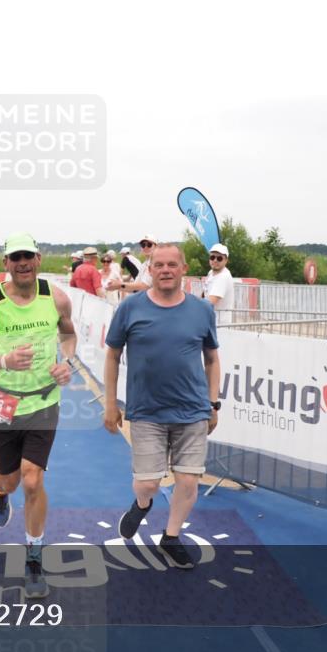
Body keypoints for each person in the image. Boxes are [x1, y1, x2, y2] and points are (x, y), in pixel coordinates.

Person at [0, 232, 76, 598]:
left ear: (39, 259)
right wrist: (3, 360)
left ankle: (34, 556)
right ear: (6, 264)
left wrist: (67, 360)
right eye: (15, 258)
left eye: (28, 256)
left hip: (43, 402)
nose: (22, 263)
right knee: (9, 481)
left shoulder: (56, 297)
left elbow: (69, 336)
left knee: (32, 480)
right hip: (4, 404)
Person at [103, 244, 220, 569]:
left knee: (188, 481)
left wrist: (213, 404)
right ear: (150, 270)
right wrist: (111, 404)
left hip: (193, 411)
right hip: (146, 412)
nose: (166, 270)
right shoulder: (130, 308)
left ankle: (170, 537)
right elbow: (112, 355)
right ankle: (142, 505)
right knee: (148, 484)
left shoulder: (202, 311)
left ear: (183, 269)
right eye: (159, 265)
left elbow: (212, 359)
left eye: (172, 264)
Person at [204, 243, 235, 323]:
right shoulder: (211, 272)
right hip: (211, 321)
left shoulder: (223, 277)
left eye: (219, 258)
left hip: (220, 324)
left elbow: (210, 302)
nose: (215, 260)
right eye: (212, 257)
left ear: (226, 260)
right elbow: (205, 292)